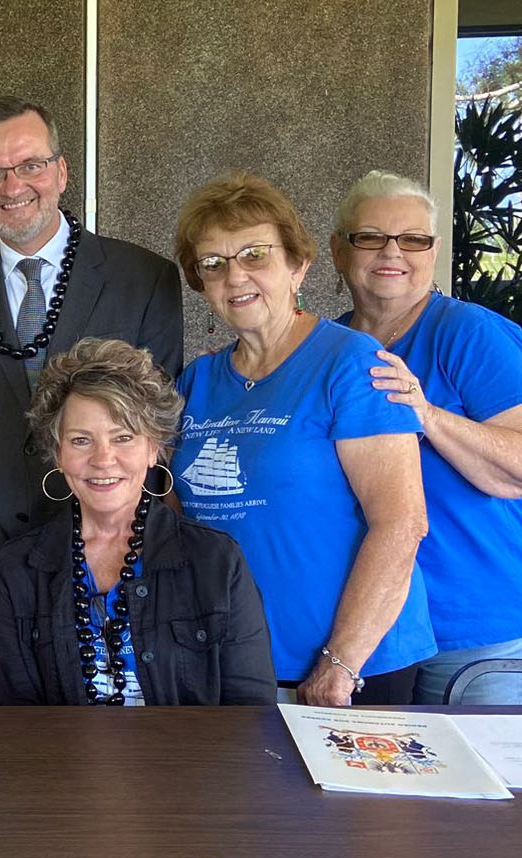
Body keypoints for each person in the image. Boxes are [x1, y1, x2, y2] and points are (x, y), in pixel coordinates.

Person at [0, 96, 182, 699]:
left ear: (61, 171)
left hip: (119, 572)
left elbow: (160, 429)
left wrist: (112, 549)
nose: (13, 186)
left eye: (30, 165)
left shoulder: (146, 280)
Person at [171, 172, 432, 706]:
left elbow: (402, 523)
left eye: (254, 255)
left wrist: (342, 662)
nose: (234, 275)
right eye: (213, 264)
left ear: (298, 265)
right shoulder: (195, 382)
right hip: (235, 661)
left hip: (353, 667)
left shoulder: (352, 365)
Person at [332, 171, 522, 705]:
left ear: (433, 252)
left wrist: (425, 412)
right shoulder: (332, 345)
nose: (393, 252)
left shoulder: (471, 332)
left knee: (476, 784)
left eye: (413, 239)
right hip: (375, 626)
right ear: (339, 252)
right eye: (371, 237)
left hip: (475, 619)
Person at [0, 339, 274, 705]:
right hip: (61, 762)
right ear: (57, 453)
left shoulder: (217, 560)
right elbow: (16, 716)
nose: (103, 459)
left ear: (154, 448)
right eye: (80, 440)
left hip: (195, 762)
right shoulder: (17, 570)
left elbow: (250, 711)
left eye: (123, 437)